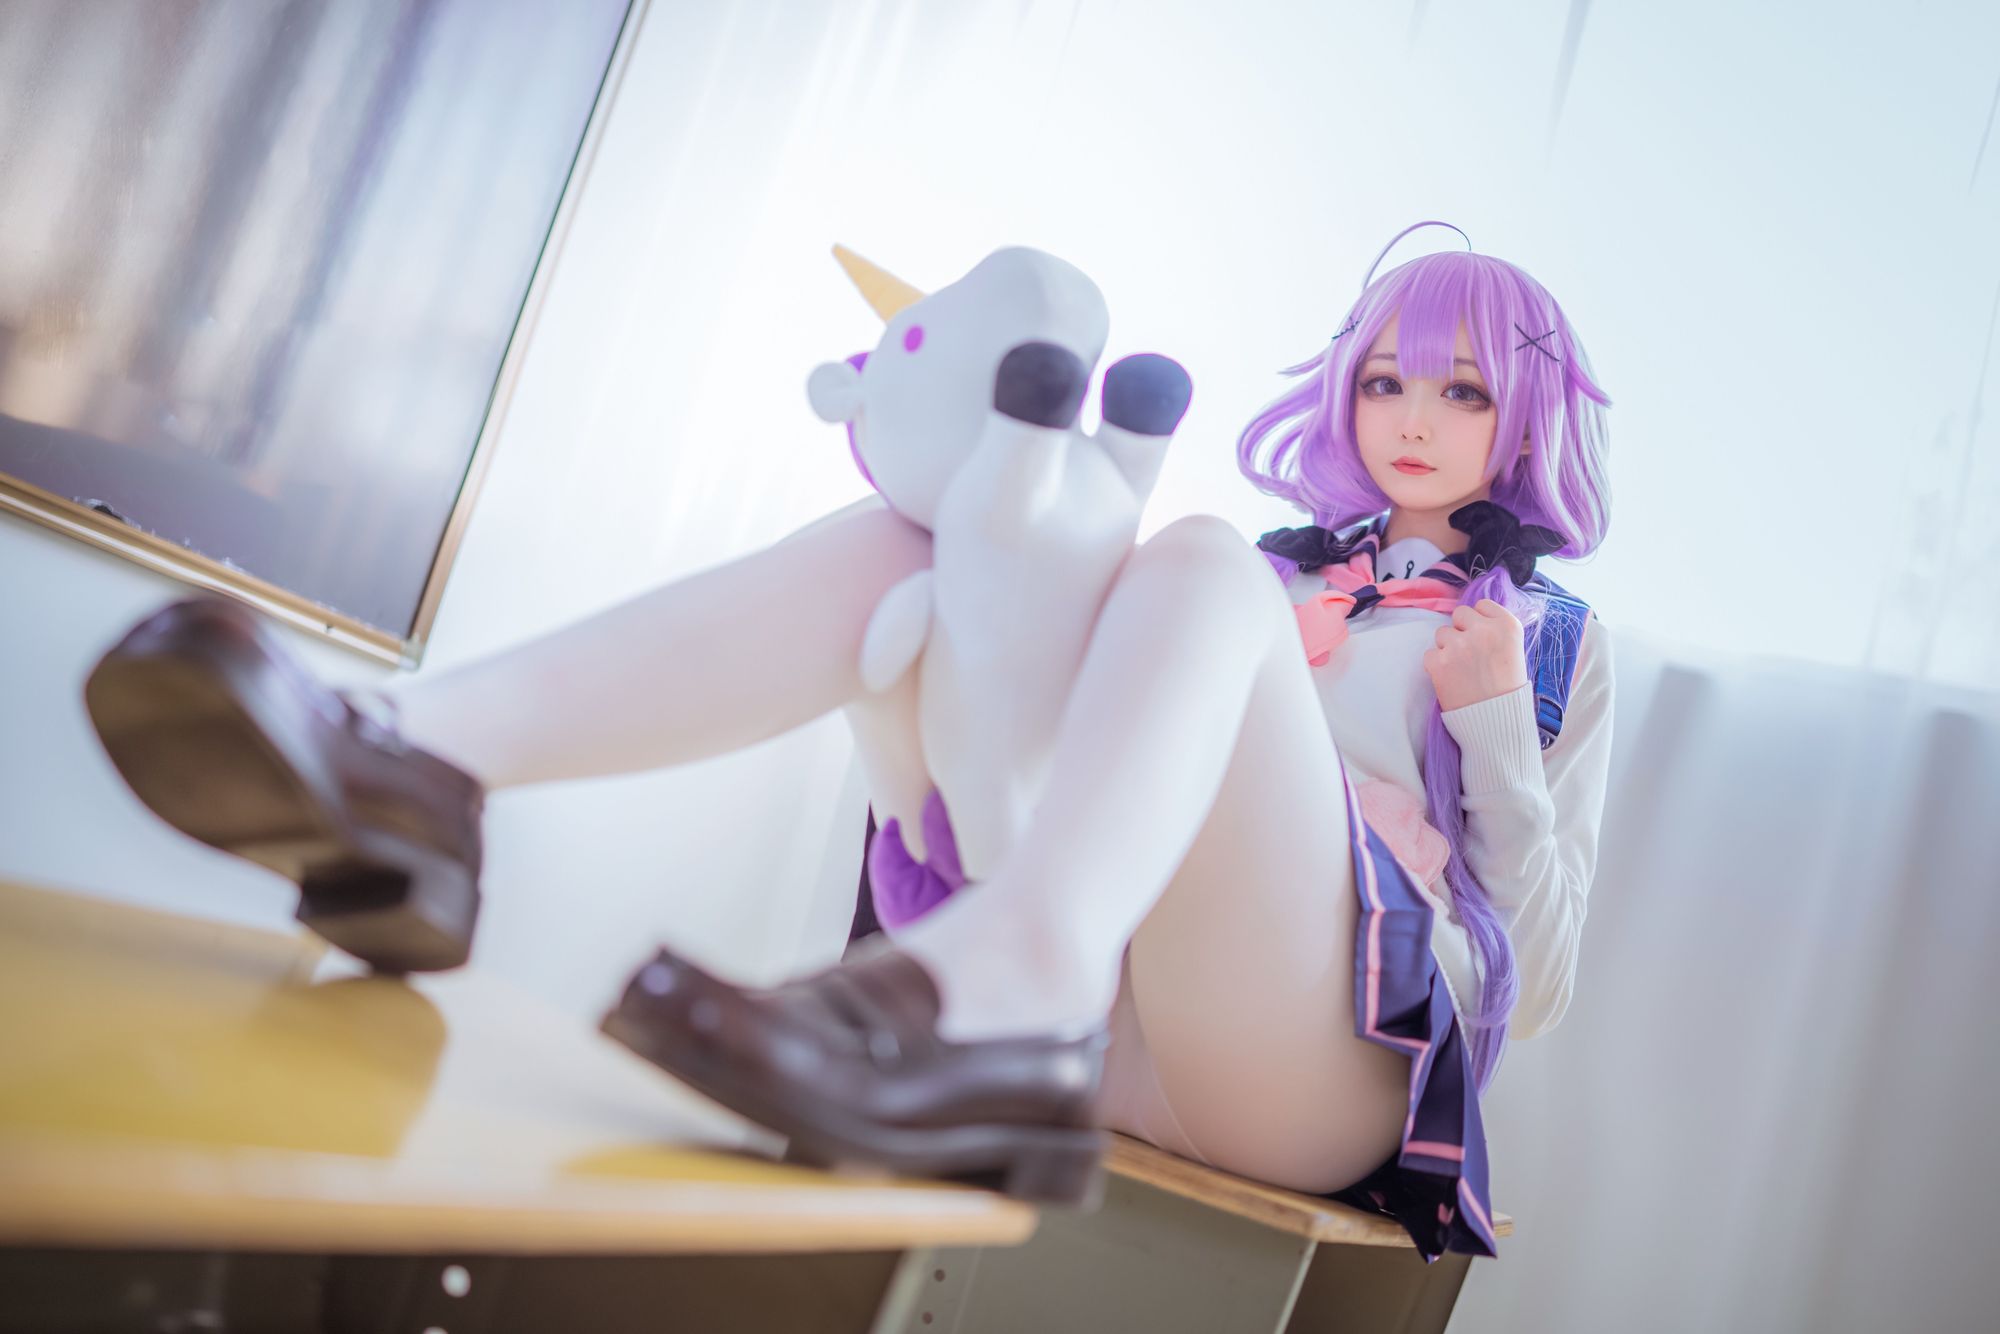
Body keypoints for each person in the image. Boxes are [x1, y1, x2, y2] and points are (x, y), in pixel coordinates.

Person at [84, 224, 1612, 1258]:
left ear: (1528, 413)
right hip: (1109, 1000)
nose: (1413, 414)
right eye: (1386, 378)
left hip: (1303, 1074)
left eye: (1462, 387)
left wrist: (1493, 736)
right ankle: (416, 760)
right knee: (931, 528)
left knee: (1195, 556)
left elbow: (1535, 987)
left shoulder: (1546, 642)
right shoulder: (1273, 582)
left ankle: (1011, 986)